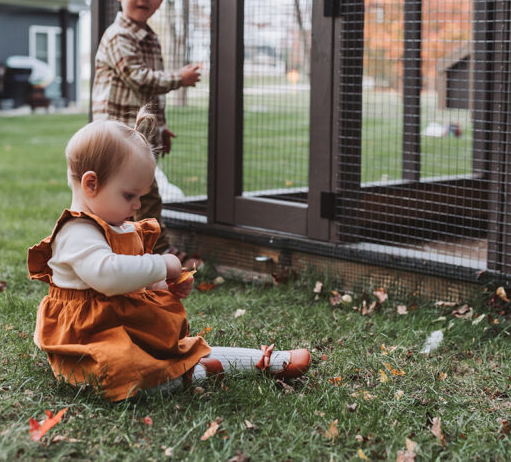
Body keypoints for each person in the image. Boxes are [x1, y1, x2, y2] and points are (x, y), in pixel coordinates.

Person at [27, 113, 311, 400]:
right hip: (89, 340)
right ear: (91, 184)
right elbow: (108, 276)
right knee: (126, 371)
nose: (138, 205)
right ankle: (195, 373)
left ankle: (267, 360)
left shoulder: (116, 226)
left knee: (178, 348)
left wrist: (161, 287)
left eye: (141, 196)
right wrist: (162, 264)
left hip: (122, 325)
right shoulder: (77, 231)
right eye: (129, 196)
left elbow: (128, 281)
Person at [92, 0, 201, 255]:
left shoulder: (150, 38)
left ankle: (129, 250)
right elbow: (138, 79)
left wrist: (160, 128)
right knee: (143, 194)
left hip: (136, 135)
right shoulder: (118, 35)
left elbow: (149, 99)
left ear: (160, 1)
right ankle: (159, 253)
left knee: (131, 194)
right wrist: (180, 78)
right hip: (117, 134)